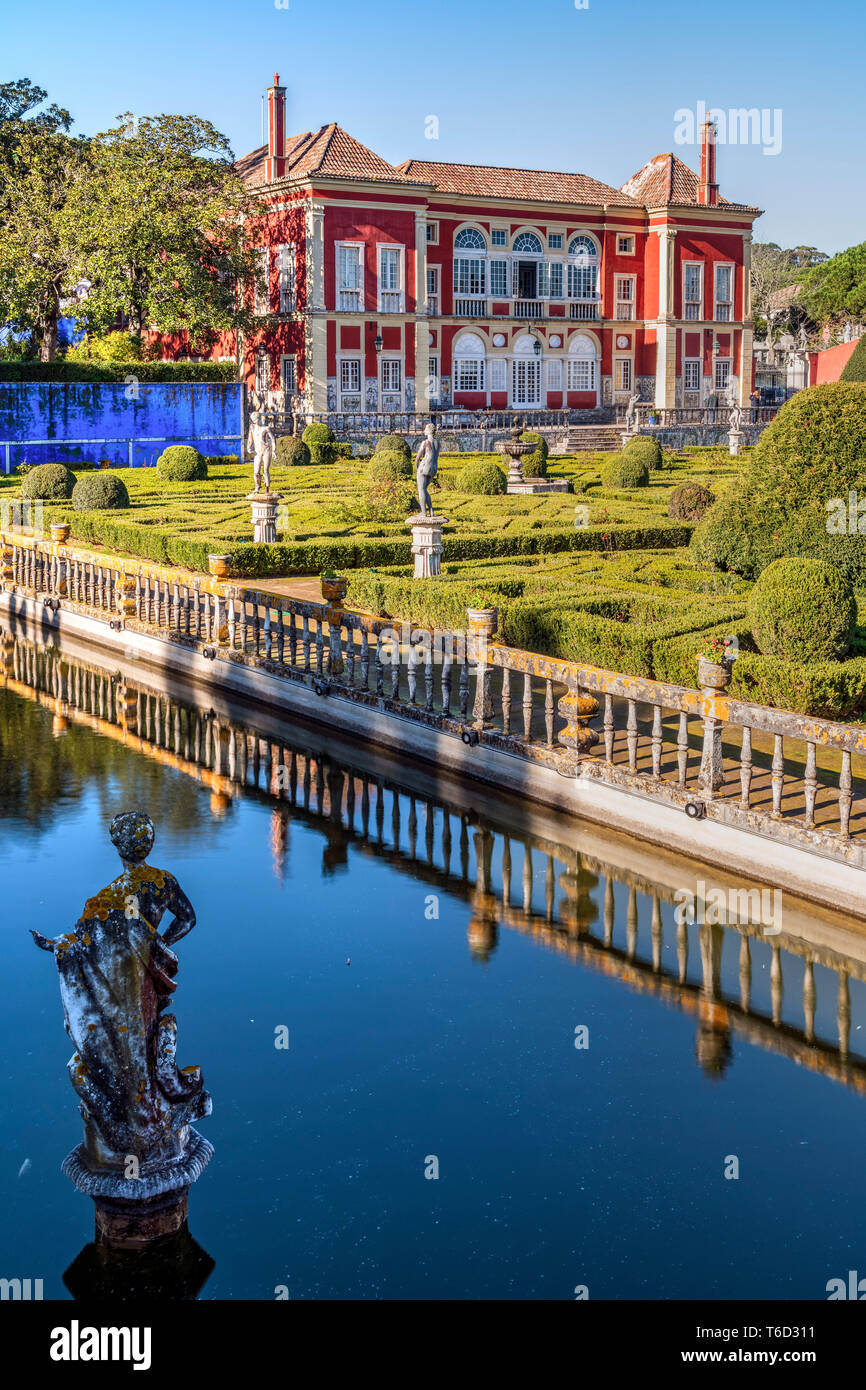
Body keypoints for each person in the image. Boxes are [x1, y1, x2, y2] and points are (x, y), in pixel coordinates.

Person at [31, 811, 210, 1164]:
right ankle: (150, 1111)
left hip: (117, 984)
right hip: (146, 978)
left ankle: (130, 1116)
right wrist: (157, 947)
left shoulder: (107, 899)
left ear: (118, 847)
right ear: (149, 844)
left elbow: (80, 945)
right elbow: (188, 919)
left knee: (121, 1046)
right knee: (147, 1037)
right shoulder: (163, 882)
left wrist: (55, 945)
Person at [414, 423, 440, 517]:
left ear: (429, 431)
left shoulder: (425, 442)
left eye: (425, 429)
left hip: (424, 467)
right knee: (425, 489)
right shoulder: (438, 442)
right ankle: (431, 511)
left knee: (421, 489)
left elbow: (417, 458)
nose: (424, 430)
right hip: (433, 468)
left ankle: (423, 512)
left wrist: (417, 469)